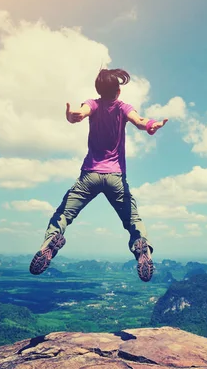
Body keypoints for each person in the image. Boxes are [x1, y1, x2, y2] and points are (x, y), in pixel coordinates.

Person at [29, 68, 168, 282]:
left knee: (63, 215)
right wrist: (151, 125)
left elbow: (81, 112)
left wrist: (74, 116)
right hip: (115, 177)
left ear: (98, 90)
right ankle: (142, 248)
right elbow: (140, 121)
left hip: (90, 175)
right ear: (118, 91)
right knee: (133, 219)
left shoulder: (93, 104)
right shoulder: (123, 108)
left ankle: (50, 243)